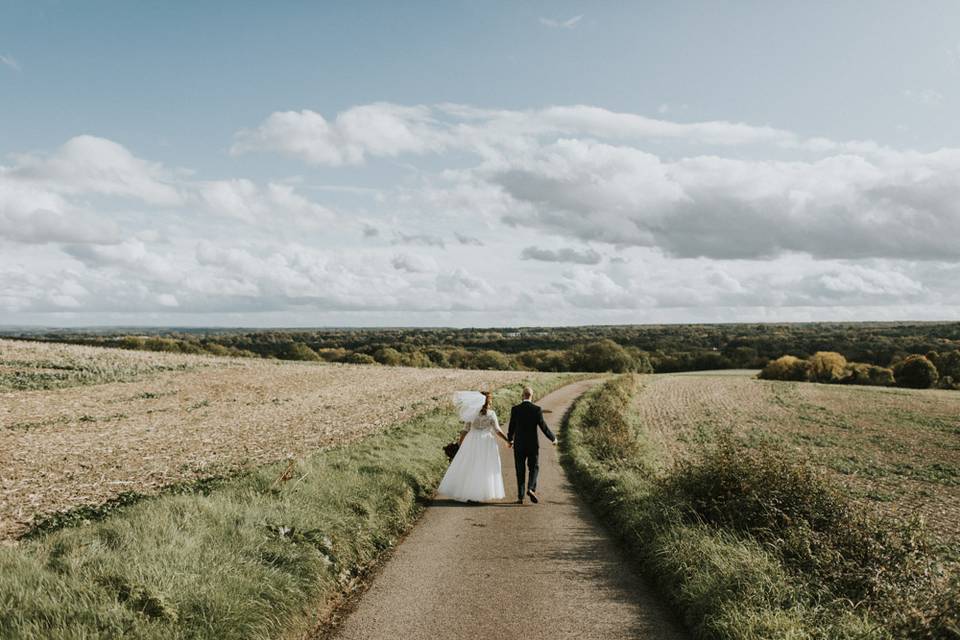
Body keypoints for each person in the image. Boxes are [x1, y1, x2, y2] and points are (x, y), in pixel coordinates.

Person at [437, 391, 510, 502]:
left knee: (470, 466)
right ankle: (479, 494)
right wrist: (508, 440)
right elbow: (497, 430)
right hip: (486, 442)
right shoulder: (491, 414)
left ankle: (469, 494)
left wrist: (459, 443)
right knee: (484, 467)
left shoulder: (472, 414)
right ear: (489, 402)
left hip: (472, 440)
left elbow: (465, 430)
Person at [507, 386, 556, 505]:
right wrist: (553, 438)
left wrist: (510, 440)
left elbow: (511, 427)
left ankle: (520, 497)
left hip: (519, 444)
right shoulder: (537, 409)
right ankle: (530, 488)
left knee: (520, 469)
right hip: (533, 444)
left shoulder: (515, 409)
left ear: (522, 395)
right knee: (534, 468)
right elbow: (543, 426)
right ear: (531, 396)